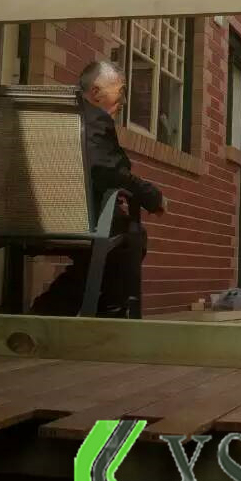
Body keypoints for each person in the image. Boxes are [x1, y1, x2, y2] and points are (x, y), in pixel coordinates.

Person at [30, 60, 164, 317]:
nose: (124, 100)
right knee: (129, 236)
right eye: (120, 90)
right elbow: (108, 171)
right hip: (75, 219)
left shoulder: (53, 118)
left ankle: (50, 309)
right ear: (96, 92)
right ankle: (107, 315)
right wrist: (150, 195)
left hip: (28, 215)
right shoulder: (93, 119)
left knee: (103, 248)